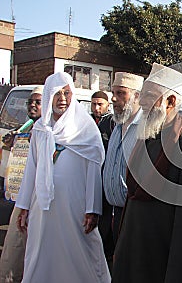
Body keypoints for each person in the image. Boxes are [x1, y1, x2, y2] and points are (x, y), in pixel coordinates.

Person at [112, 63, 182, 283]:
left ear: (171, 101)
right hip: (131, 256)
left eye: (149, 95)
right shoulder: (145, 139)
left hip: (160, 264)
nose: (142, 102)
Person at [15, 72, 110, 283]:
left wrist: (92, 209)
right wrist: (24, 207)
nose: (63, 98)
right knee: (41, 252)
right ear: (49, 96)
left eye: (66, 93)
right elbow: (31, 169)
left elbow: (93, 170)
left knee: (80, 252)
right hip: (43, 207)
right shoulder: (40, 128)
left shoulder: (86, 128)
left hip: (74, 206)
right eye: (57, 93)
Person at [0, 85, 43, 283]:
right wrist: (13, 142)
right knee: (15, 247)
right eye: (30, 102)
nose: (32, 106)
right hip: (22, 197)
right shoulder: (26, 126)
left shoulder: (50, 129)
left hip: (41, 199)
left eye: (37, 102)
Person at [102, 72, 143, 249]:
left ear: (137, 96)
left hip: (135, 217)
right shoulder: (116, 126)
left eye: (121, 93)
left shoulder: (146, 130)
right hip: (113, 213)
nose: (113, 98)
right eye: (113, 92)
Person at [90, 90, 116, 269]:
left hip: (105, 179)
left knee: (104, 218)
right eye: (94, 104)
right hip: (89, 178)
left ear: (108, 105)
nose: (97, 108)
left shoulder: (112, 123)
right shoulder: (86, 122)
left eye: (100, 104)